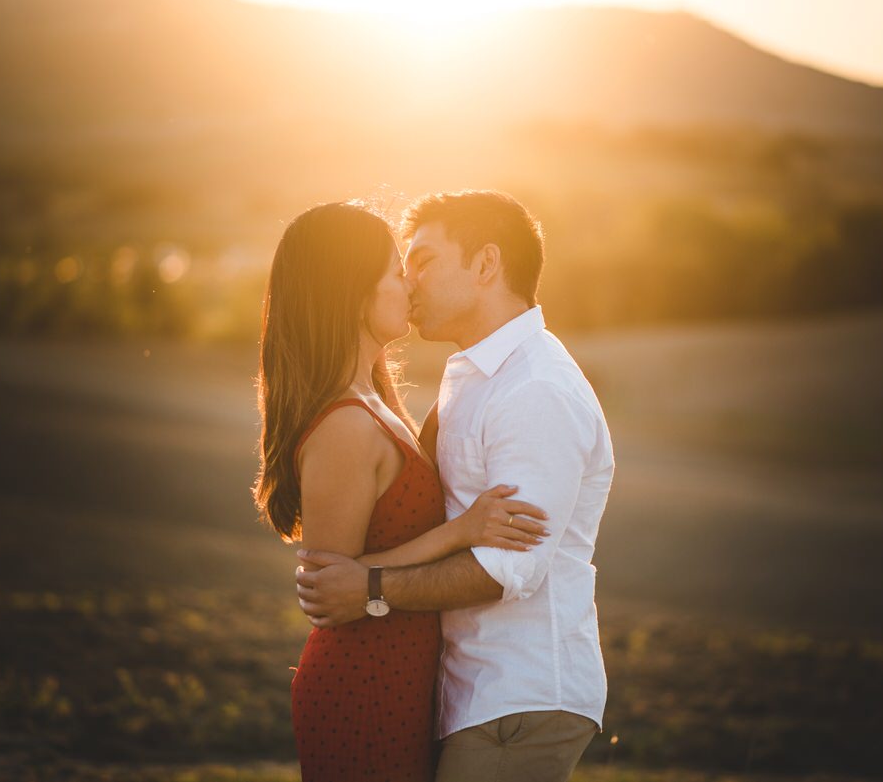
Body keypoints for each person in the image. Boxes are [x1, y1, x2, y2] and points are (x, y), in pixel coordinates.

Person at [296, 190, 616, 782]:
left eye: (423, 261)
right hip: (469, 696)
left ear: (486, 264)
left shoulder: (535, 389)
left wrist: (370, 588)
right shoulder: (469, 378)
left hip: (520, 694)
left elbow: (507, 569)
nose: (410, 282)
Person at [253, 201, 549, 782]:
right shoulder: (343, 425)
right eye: (396, 272)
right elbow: (333, 589)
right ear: (354, 292)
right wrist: (459, 533)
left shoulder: (377, 404)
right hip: (364, 681)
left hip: (403, 676)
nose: (409, 285)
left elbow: (360, 578)